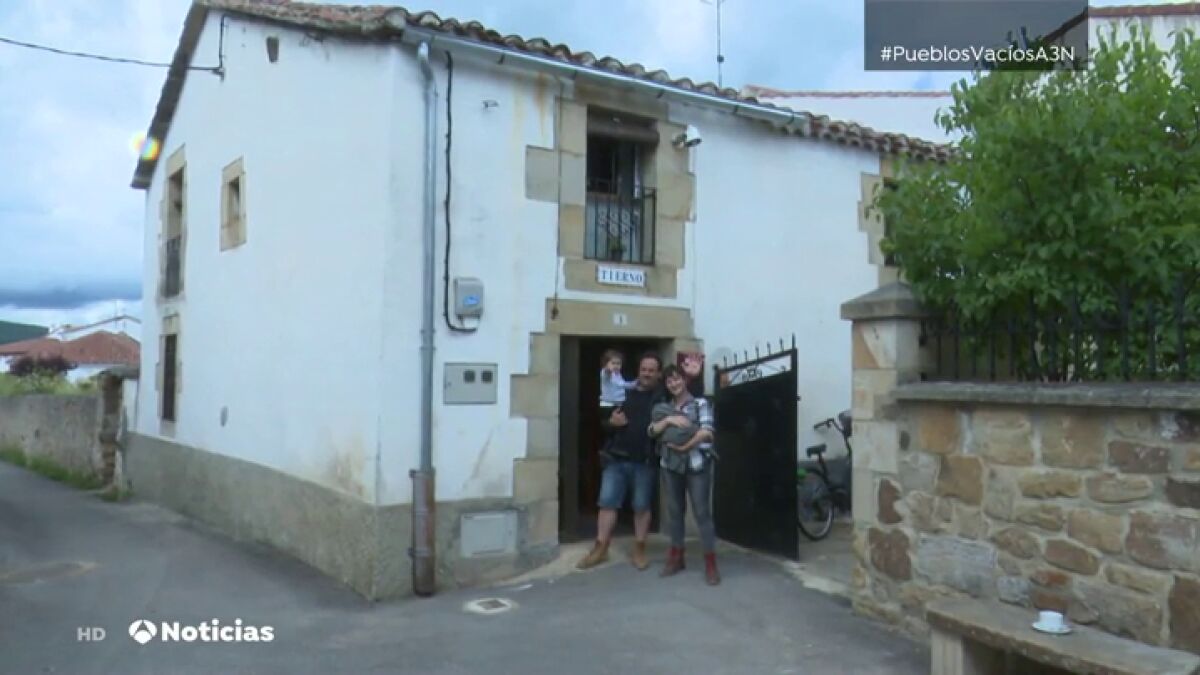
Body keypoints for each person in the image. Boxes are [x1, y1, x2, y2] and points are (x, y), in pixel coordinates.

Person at [576, 351, 665, 572]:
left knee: (642, 506)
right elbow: (603, 421)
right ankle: (600, 548)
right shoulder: (623, 392)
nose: (646, 374)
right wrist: (611, 423)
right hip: (616, 458)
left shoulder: (662, 397)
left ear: (659, 374)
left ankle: (639, 550)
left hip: (645, 461)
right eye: (643, 369)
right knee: (607, 503)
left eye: (651, 370)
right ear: (638, 371)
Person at [649, 364, 720, 585]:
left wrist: (684, 446)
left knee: (702, 513)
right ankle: (676, 557)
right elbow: (651, 430)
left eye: (677, 378)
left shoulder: (700, 404)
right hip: (670, 466)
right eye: (669, 381)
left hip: (696, 464)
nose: (674, 383)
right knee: (674, 512)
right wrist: (669, 421)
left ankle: (710, 563)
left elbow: (707, 433)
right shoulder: (664, 408)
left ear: (685, 380)